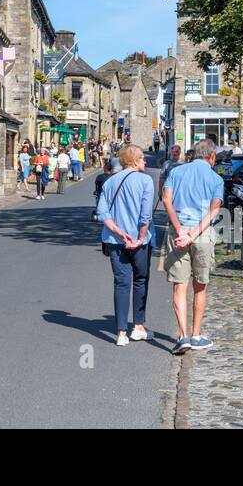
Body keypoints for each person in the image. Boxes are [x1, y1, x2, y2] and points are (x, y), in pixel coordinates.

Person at [161, 138, 224, 355]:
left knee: (179, 285)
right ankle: (196, 335)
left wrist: (180, 230)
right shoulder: (216, 178)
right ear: (212, 156)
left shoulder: (176, 172)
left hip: (178, 232)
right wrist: (195, 233)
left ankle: (182, 336)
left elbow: (166, 200)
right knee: (200, 285)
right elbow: (214, 210)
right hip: (202, 233)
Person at [97, 144, 156, 345]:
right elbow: (145, 215)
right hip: (139, 241)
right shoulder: (146, 181)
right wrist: (139, 237)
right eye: (142, 158)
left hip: (115, 240)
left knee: (121, 283)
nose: (145, 161)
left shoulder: (110, 182)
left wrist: (118, 232)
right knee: (140, 280)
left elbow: (103, 214)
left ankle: (121, 333)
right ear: (134, 160)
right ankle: (138, 326)